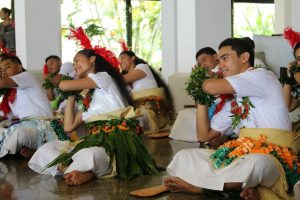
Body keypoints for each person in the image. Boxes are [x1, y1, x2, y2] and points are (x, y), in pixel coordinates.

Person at [130, 38, 293, 199]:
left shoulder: (262, 75)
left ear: (244, 58)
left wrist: (202, 81)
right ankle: (243, 187)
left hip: (273, 159)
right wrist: (201, 97)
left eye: (224, 58)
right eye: (219, 59)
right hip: (240, 157)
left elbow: (210, 86)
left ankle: (201, 188)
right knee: (184, 157)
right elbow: (204, 135)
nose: (220, 64)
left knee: (258, 164)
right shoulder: (233, 101)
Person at [29, 27, 158, 186]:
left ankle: (83, 171)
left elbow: (63, 84)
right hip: (94, 140)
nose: (75, 65)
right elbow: (69, 127)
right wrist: (71, 97)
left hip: (115, 142)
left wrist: (65, 82)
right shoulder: (87, 98)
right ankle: (78, 169)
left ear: (92, 59)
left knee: (90, 154)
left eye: (78, 60)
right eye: (74, 62)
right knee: (47, 148)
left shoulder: (103, 78)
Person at [0, 55, 66, 159]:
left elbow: (1, 83)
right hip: (24, 125)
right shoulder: (10, 94)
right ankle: (29, 151)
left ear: (18, 67)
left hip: (42, 126)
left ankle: (33, 150)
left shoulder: (27, 76)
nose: (3, 71)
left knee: (20, 134)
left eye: (7, 67)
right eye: (1, 69)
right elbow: (3, 115)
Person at [169, 47, 223, 142]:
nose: (202, 64)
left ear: (216, 56)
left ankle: (211, 137)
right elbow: (198, 105)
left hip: (223, 107)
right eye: (199, 63)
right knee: (183, 114)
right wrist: (197, 82)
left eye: (204, 59)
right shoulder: (204, 77)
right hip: (209, 108)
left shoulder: (224, 70)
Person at [119, 50, 174, 135]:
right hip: (141, 111)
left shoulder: (142, 67)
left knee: (126, 122)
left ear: (133, 58)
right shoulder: (128, 84)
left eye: (123, 58)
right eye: (119, 60)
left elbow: (121, 80)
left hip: (153, 111)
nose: (120, 61)